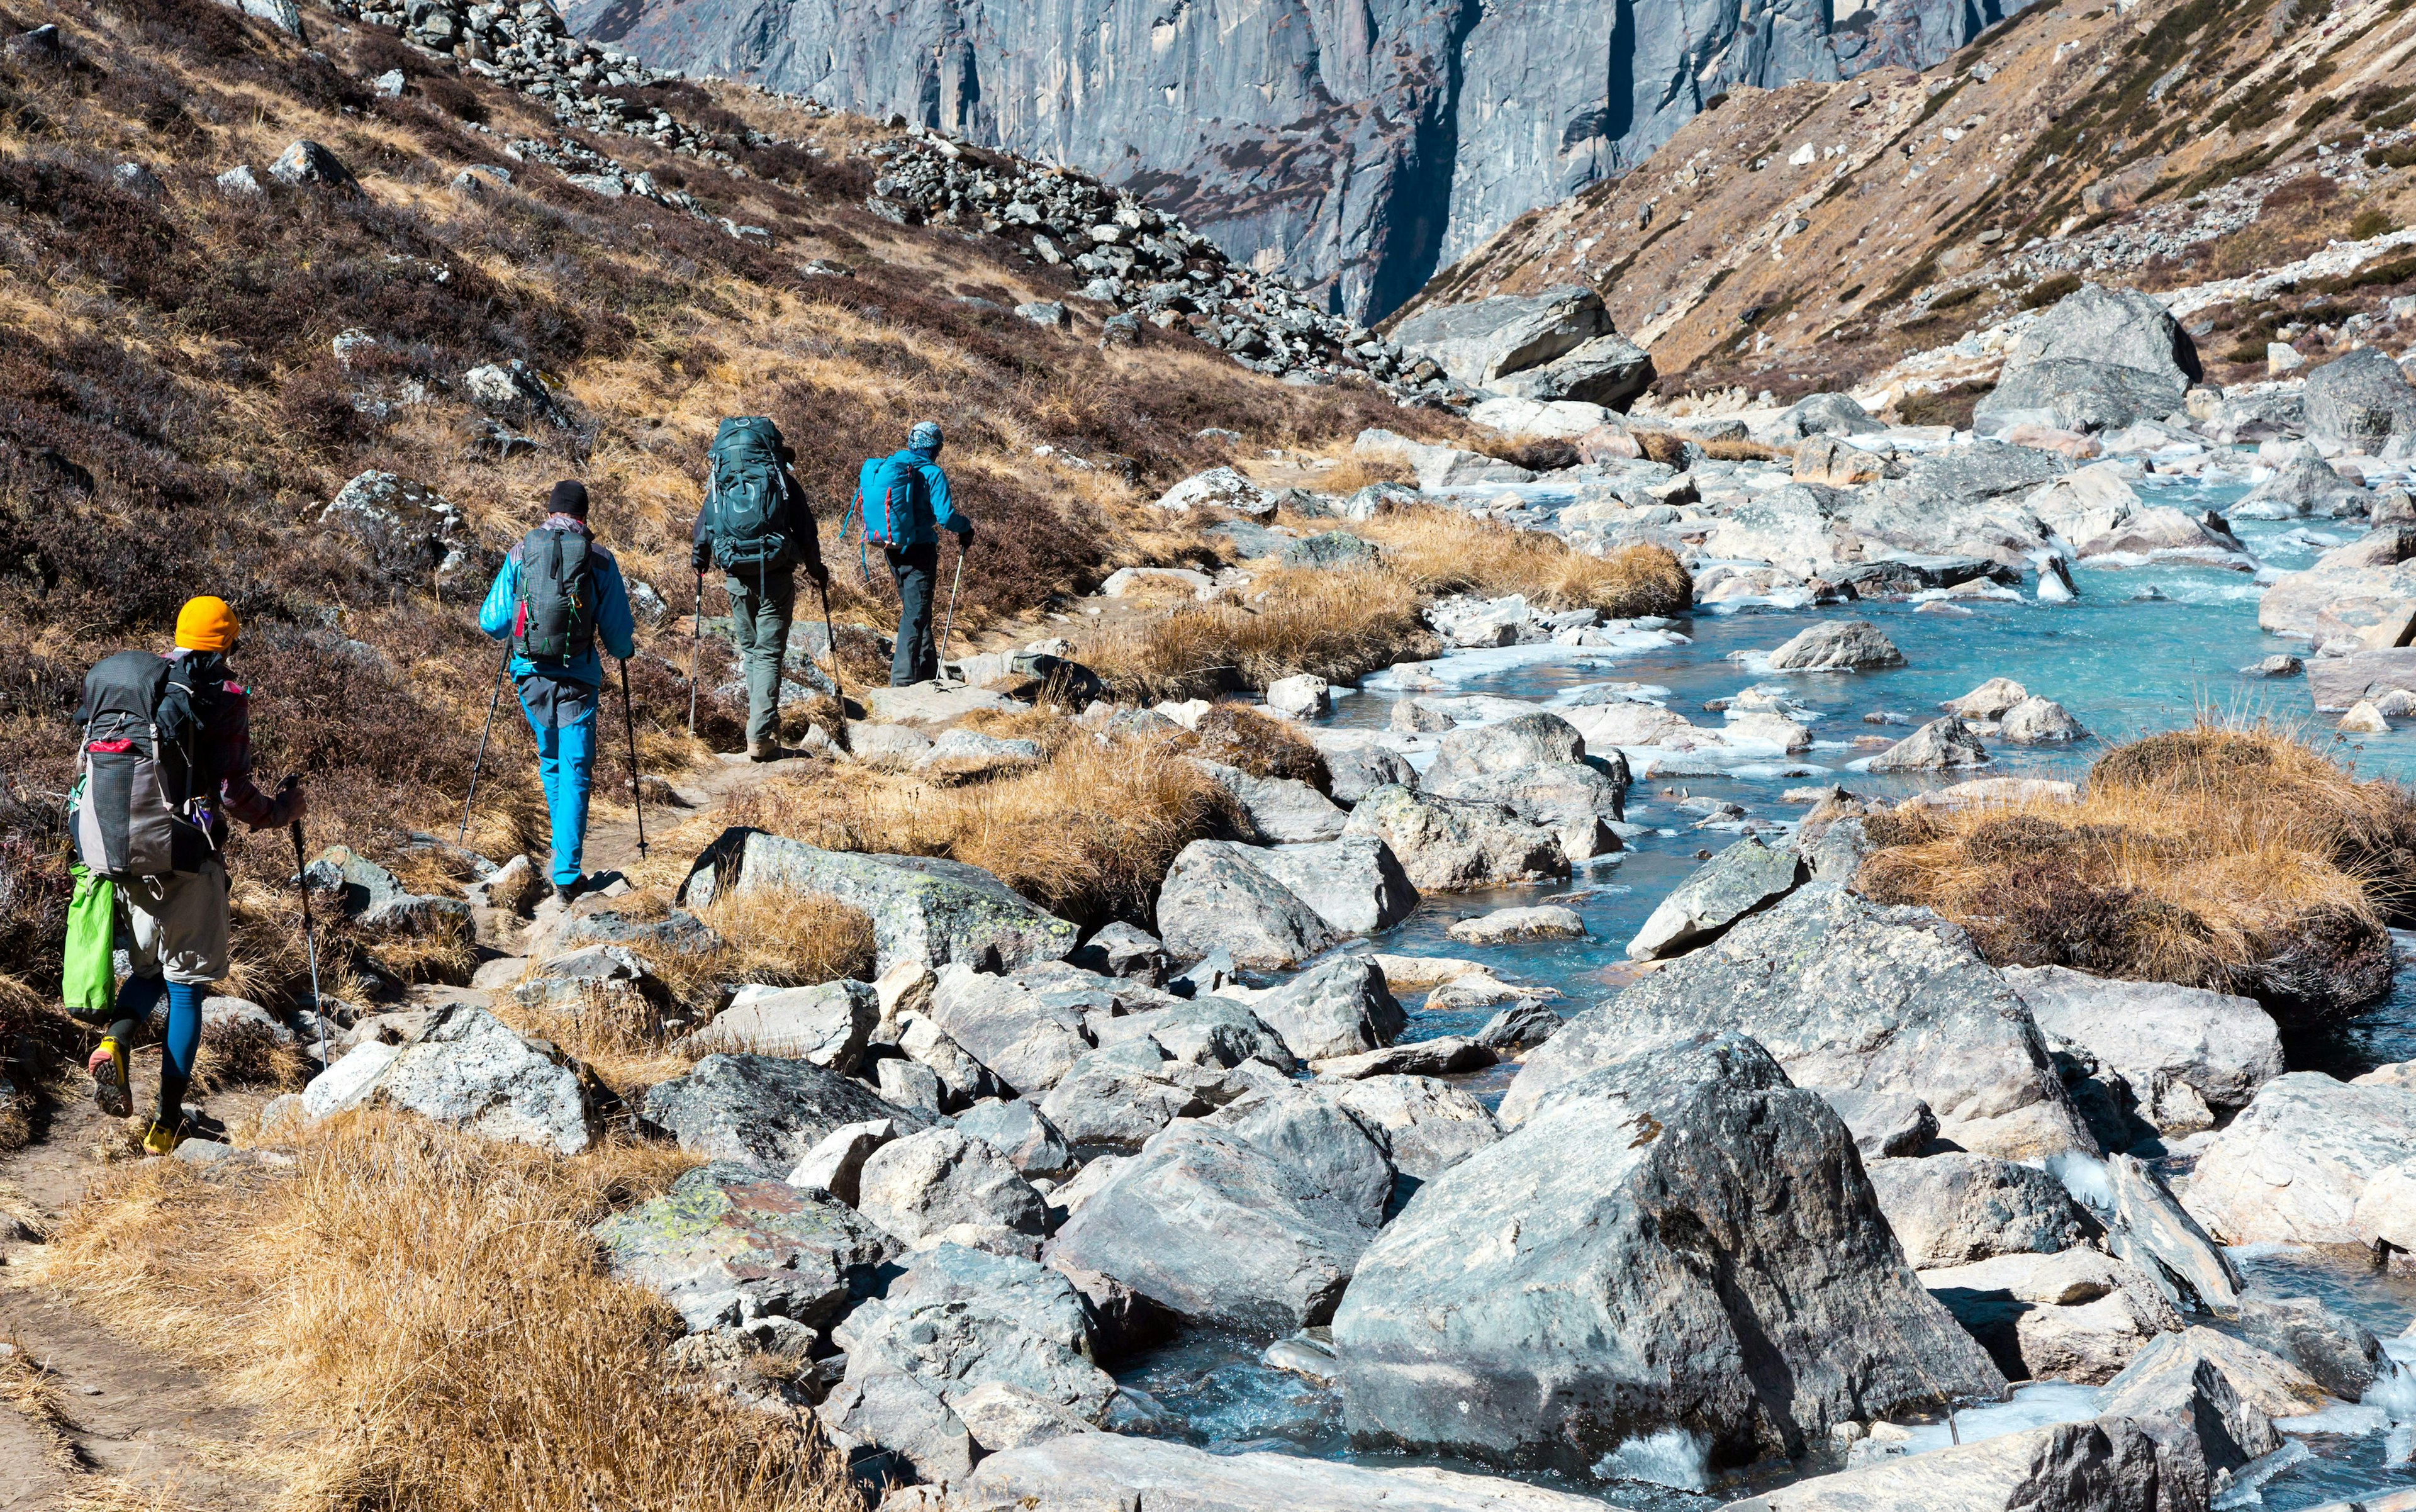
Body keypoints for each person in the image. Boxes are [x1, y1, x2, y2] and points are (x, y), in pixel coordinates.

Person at [81, 596, 306, 1155]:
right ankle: (166, 1122)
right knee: (186, 988)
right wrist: (281, 811)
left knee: (149, 970)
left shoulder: (142, 685)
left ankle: (115, 1041)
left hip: (124, 851)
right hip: (186, 856)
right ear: (227, 641)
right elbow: (231, 792)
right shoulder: (219, 694)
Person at [477, 480, 637, 904]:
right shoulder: (599, 558)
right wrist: (624, 649)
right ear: (584, 516)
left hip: (530, 678)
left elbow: (491, 621)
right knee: (576, 768)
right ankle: (566, 871)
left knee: (552, 761)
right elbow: (619, 638)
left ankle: (561, 858)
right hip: (578, 681)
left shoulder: (520, 552)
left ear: (550, 512)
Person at [691, 422, 829, 761]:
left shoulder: (721, 481)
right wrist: (817, 572)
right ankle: (760, 734)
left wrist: (700, 560)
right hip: (776, 575)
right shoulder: (783, 483)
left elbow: (704, 528)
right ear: (774, 455)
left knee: (752, 651)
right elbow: (808, 534)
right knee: (767, 654)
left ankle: (761, 724)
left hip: (736, 575)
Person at [862, 421, 976, 687]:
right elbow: (946, 517)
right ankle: (902, 683)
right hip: (920, 551)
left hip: (893, 549)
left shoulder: (896, 466)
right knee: (915, 615)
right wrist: (966, 527)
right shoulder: (932, 473)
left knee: (917, 609)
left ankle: (926, 671)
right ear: (935, 448)